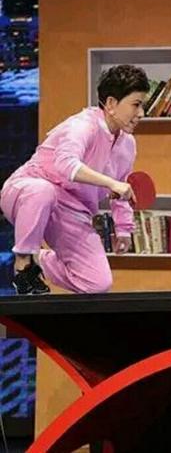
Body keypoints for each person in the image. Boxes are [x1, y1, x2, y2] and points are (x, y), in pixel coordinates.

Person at [0, 64, 150, 294]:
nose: (141, 114)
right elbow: (66, 164)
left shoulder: (127, 144)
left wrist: (123, 229)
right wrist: (110, 182)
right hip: (25, 192)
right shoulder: (82, 126)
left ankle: (41, 260)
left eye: (143, 106)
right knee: (43, 191)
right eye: (136, 105)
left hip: (71, 209)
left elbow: (122, 188)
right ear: (111, 104)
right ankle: (23, 263)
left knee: (97, 284)